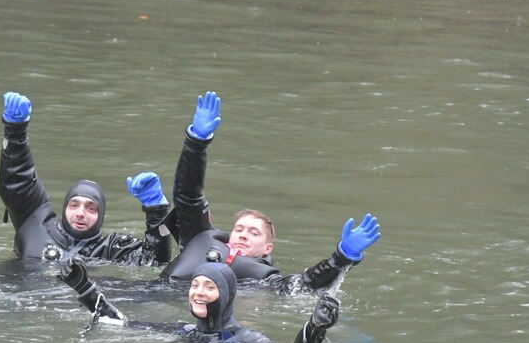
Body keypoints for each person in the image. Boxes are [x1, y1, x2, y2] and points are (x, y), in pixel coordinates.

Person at [161, 91, 381, 294]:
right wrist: (196, 142)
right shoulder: (201, 236)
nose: (243, 234)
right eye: (239, 229)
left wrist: (342, 257)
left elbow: (306, 284)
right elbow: (187, 194)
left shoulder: (264, 277)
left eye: (254, 233)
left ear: (267, 248)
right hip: (144, 293)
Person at [0, 91, 174, 265]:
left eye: (91, 209)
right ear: (65, 207)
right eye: (74, 205)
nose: (81, 213)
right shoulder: (37, 225)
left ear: (101, 216)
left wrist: (156, 210)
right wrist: (15, 133)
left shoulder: (111, 248)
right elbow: (17, 183)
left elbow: (155, 260)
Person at [60, 258, 340, 343]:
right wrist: (83, 286)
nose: (198, 293)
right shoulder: (185, 331)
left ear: (226, 295)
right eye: (195, 286)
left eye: (209, 287)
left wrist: (314, 327)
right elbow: (119, 322)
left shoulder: (245, 339)